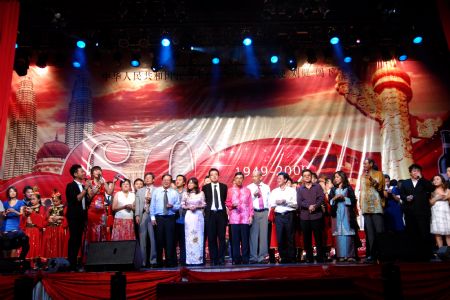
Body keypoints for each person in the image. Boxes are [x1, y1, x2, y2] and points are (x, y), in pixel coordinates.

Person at [400, 164, 434, 260]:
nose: (416, 172)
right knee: (412, 233)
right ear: (410, 172)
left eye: (418, 170)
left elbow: (431, 188)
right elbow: (402, 194)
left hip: (423, 212)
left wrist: (421, 178)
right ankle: (413, 255)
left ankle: (427, 254)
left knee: (424, 233)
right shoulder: (405, 183)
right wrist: (406, 198)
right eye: (414, 171)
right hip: (410, 212)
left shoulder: (423, 182)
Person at [150, 174, 180, 267]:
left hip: (170, 218)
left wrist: (173, 206)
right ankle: (159, 262)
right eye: (165, 180)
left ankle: (169, 262)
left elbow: (178, 206)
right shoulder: (156, 191)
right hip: (159, 218)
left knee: (170, 241)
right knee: (159, 240)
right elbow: (152, 205)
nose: (166, 181)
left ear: (171, 182)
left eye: (168, 180)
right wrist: (152, 217)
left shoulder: (174, 192)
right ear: (162, 181)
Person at [359, 158, 385, 263]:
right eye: (363, 163)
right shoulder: (362, 176)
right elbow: (362, 191)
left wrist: (371, 179)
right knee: (369, 233)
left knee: (379, 231)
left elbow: (380, 188)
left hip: (376, 206)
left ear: (371, 164)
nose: (364, 165)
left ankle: (382, 254)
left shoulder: (379, 174)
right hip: (366, 206)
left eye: (365, 163)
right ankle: (372, 255)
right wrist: (360, 203)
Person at [297, 169, 325, 263]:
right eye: (305, 175)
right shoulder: (300, 189)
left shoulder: (317, 187)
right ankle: (309, 257)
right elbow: (299, 201)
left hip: (316, 216)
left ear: (311, 176)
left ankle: (320, 257)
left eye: (308, 175)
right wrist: (308, 206)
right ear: (303, 177)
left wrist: (315, 206)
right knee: (306, 238)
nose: (307, 177)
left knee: (318, 238)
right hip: (305, 217)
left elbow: (321, 198)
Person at [226, 172, 254, 265]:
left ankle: (246, 259)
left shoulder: (247, 190)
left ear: (243, 179)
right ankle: (236, 259)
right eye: (237, 178)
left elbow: (250, 204)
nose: (239, 179)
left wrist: (251, 216)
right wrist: (231, 205)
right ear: (234, 179)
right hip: (234, 219)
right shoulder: (230, 190)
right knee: (235, 241)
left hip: (245, 219)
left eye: (240, 178)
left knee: (245, 240)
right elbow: (227, 202)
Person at [269, 172, 297, 263]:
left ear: (285, 180)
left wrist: (286, 202)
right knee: (280, 238)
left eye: (280, 178)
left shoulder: (292, 190)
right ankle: (283, 257)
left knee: (290, 237)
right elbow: (271, 203)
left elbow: (296, 204)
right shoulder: (274, 191)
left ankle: (292, 257)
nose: (278, 180)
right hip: (279, 216)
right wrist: (278, 202)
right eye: (278, 178)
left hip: (289, 215)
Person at [329, 171, 357, 262]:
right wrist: (335, 198)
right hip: (337, 213)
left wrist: (344, 198)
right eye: (335, 177)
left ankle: (350, 255)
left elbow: (353, 200)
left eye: (337, 177)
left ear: (342, 177)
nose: (335, 179)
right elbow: (330, 201)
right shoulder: (333, 189)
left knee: (348, 233)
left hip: (347, 212)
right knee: (339, 234)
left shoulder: (348, 188)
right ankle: (340, 255)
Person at [66, 164, 90, 270]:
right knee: (74, 239)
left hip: (82, 217)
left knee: (79, 240)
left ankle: (76, 263)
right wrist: (86, 188)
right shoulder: (71, 186)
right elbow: (77, 199)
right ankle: (71, 264)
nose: (83, 173)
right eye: (81, 171)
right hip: (74, 217)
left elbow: (86, 201)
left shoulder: (83, 186)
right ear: (75, 174)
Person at [202, 168, 228, 266]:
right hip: (210, 215)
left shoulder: (224, 187)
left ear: (218, 175)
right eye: (211, 174)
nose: (214, 176)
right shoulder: (205, 187)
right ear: (209, 176)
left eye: (216, 174)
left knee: (221, 238)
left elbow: (224, 199)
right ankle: (214, 258)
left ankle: (221, 258)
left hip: (221, 214)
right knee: (212, 238)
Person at [86, 166, 117, 243]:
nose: (98, 172)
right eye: (96, 171)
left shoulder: (104, 182)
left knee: (102, 229)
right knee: (92, 229)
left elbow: (109, 192)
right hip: (92, 210)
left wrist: (113, 182)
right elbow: (90, 195)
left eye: (99, 170)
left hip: (101, 210)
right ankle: (91, 248)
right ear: (92, 173)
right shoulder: (89, 182)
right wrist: (99, 184)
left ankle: (101, 250)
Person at [247, 170, 271, 264]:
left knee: (264, 235)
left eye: (255, 176)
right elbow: (247, 202)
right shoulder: (249, 187)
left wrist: (268, 214)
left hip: (264, 212)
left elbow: (269, 201)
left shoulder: (266, 187)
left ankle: (263, 257)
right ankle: (253, 257)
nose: (253, 178)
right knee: (253, 235)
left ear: (261, 177)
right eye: (253, 176)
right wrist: (254, 195)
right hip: (254, 212)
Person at [181, 177, 206, 265]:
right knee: (189, 237)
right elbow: (182, 204)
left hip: (198, 215)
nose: (190, 184)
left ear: (196, 184)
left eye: (192, 183)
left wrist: (197, 207)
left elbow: (204, 204)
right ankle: (190, 260)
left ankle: (199, 260)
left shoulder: (201, 193)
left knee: (198, 236)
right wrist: (188, 207)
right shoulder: (185, 194)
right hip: (189, 215)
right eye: (189, 183)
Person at [135, 172, 157, 267]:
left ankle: (153, 261)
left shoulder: (157, 190)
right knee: (142, 239)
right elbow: (137, 203)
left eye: (149, 178)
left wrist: (151, 200)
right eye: (146, 178)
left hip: (153, 215)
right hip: (143, 214)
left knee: (153, 239)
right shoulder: (140, 191)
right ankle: (143, 261)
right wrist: (137, 215)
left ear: (153, 179)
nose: (147, 179)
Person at [1, 186, 29, 261]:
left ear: (16, 192)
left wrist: (13, 211)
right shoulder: (5, 203)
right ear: (8, 193)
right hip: (6, 224)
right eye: (10, 191)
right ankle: (5, 263)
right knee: (5, 243)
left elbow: (22, 214)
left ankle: (15, 261)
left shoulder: (20, 202)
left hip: (15, 224)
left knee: (16, 240)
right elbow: (3, 215)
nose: (12, 193)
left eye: (14, 191)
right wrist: (5, 213)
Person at [20, 188, 45, 262]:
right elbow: (23, 220)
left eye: (34, 199)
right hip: (28, 230)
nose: (32, 201)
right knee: (27, 247)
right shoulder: (28, 208)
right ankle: (26, 264)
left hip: (36, 231)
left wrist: (32, 213)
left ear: (39, 199)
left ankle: (35, 264)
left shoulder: (42, 208)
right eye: (31, 199)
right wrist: (23, 213)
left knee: (35, 247)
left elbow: (42, 220)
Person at [43, 190, 67, 258]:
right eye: (53, 201)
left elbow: (66, 218)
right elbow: (45, 219)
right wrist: (49, 217)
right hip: (50, 229)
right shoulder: (50, 208)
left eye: (57, 201)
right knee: (51, 244)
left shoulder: (63, 208)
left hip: (59, 229)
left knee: (58, 243)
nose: (55, 203)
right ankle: (50, 259)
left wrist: (60, 217)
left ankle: (59, 259)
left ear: (60, 200)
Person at [429, 175, 450, 248]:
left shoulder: (447, 190)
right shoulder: (431, 192)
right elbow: (430, 203)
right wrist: (436, 198)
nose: (435, 181)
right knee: (438, 235)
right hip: (436, 214)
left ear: (442, 181)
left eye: (437, 179)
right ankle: (441, 252)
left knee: (448, 234)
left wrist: (446, 197)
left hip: (446, 214)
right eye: (434, 179)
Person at [174, 175, 187, 266]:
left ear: (184, 182)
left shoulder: (187, 192)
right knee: (173, 241)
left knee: (184, 241)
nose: (177, 181)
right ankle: (174, 261)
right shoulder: (172, 192)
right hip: (173, 220)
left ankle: (184, 260)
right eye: (176, 180)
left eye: (179, 180)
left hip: (185, 220)